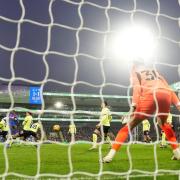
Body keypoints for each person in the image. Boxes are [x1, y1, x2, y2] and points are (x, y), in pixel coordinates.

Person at [103, 60, 180, 162]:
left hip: (150, 95)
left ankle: (109, 156)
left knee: (127, 127)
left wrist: (133, 107)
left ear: (134, 65)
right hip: (166, 95)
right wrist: (178, 105)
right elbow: (168, 89)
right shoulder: (155, 72)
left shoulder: (135, 71)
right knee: (164, 124)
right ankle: (177, 153)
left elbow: (137, 89)